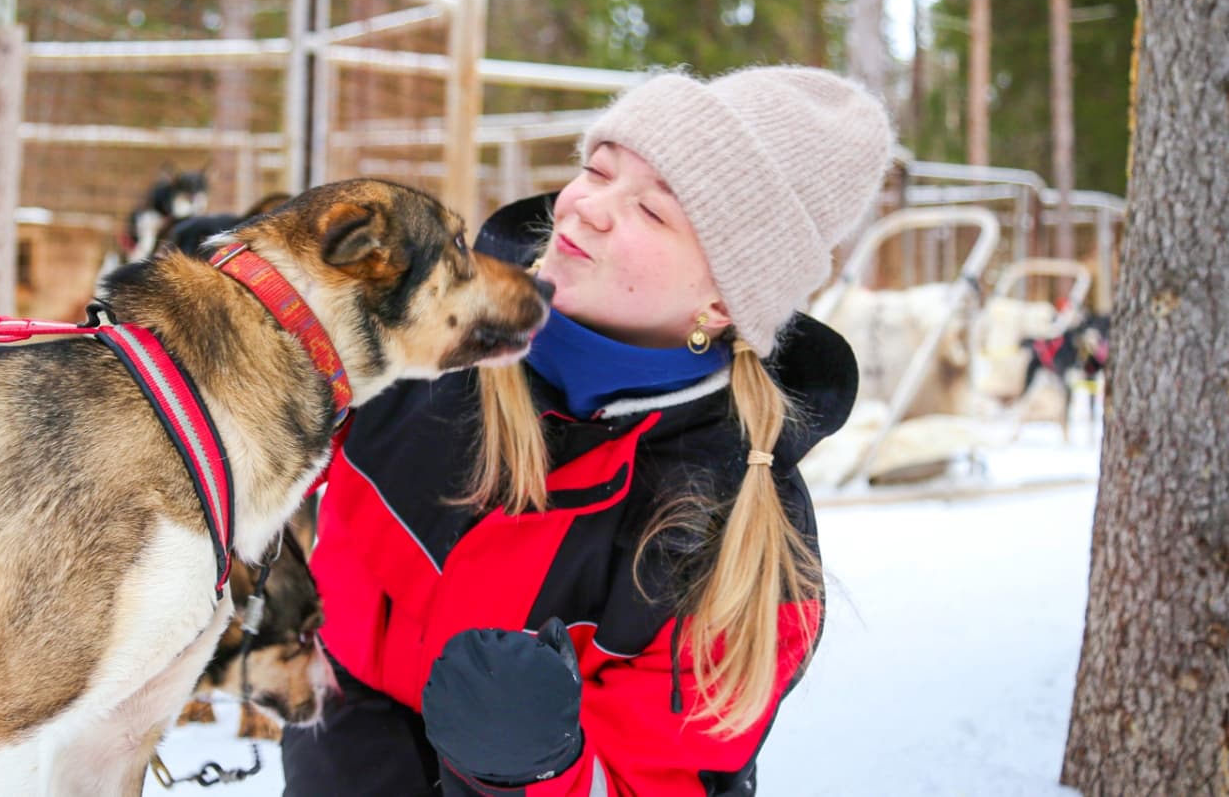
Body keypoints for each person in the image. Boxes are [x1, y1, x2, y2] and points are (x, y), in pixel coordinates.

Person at [281, 66, 894, 796]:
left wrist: (534, 767)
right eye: (597, 170)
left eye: (654, 212)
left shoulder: (744, 535)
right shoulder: (411, 341)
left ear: (726, 301)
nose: (587, 208)